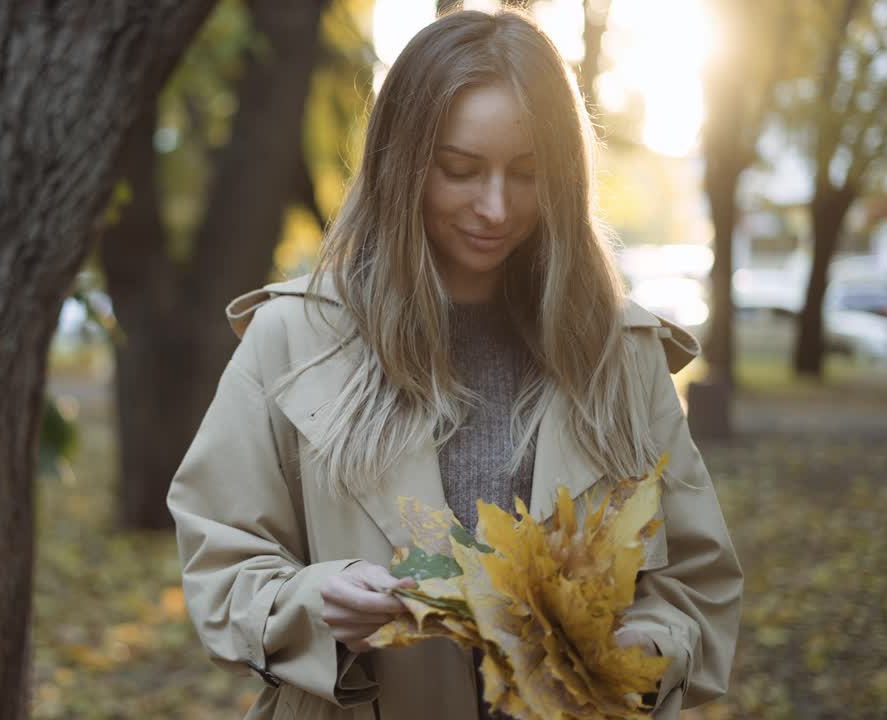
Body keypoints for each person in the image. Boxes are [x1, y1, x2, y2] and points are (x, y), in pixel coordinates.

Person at [167, 9, 742, 720]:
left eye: (527, 174)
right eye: (461, 170)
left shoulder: (618, 356)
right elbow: (221, 564)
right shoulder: (294, 337)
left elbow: (695, 581)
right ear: (400, 161)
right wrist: (315, 600)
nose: (496, 208)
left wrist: (642, 650)